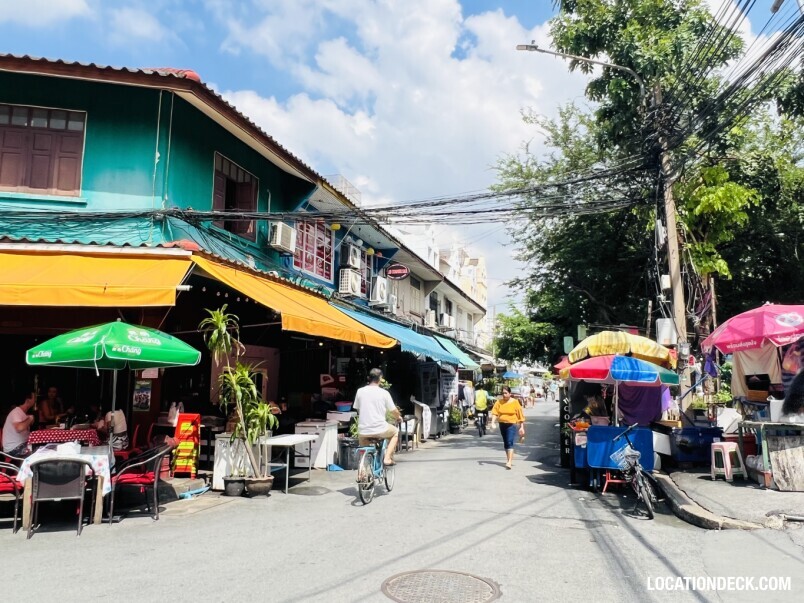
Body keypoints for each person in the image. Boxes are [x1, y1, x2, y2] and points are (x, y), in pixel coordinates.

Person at [354, 368, 402, 466]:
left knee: (364, 452)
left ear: (369, 378)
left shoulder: (360, 391)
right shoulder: (384, 393)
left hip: (363, 430)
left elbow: (358, 409)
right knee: (395, 433)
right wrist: (399, 417)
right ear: (380, 378)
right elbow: (394, 411)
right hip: (380, 428)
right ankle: (387, 458)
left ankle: (363, 470)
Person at [490, 386, 525, 470]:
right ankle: (508, 458)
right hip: (502, 424)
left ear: (510, 393)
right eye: (503, 393)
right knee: (506, 442)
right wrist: (492, 422)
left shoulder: (515, 402)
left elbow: (520, 416)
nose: (504, 395)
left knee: (509, 442)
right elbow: (495, 413)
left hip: (511, 424)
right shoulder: (499, 402)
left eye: (506, 393)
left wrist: (521, 427)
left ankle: (509, 461)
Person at [2, 392, 36, 457]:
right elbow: (19, 428)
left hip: (21, 445)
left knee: (40, 447)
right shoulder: (16, 412)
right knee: (37, 452)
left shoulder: (23, 413)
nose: (35, 400)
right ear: (28, 400)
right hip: (13, 448)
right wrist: (30, 418)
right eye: (34, 398)